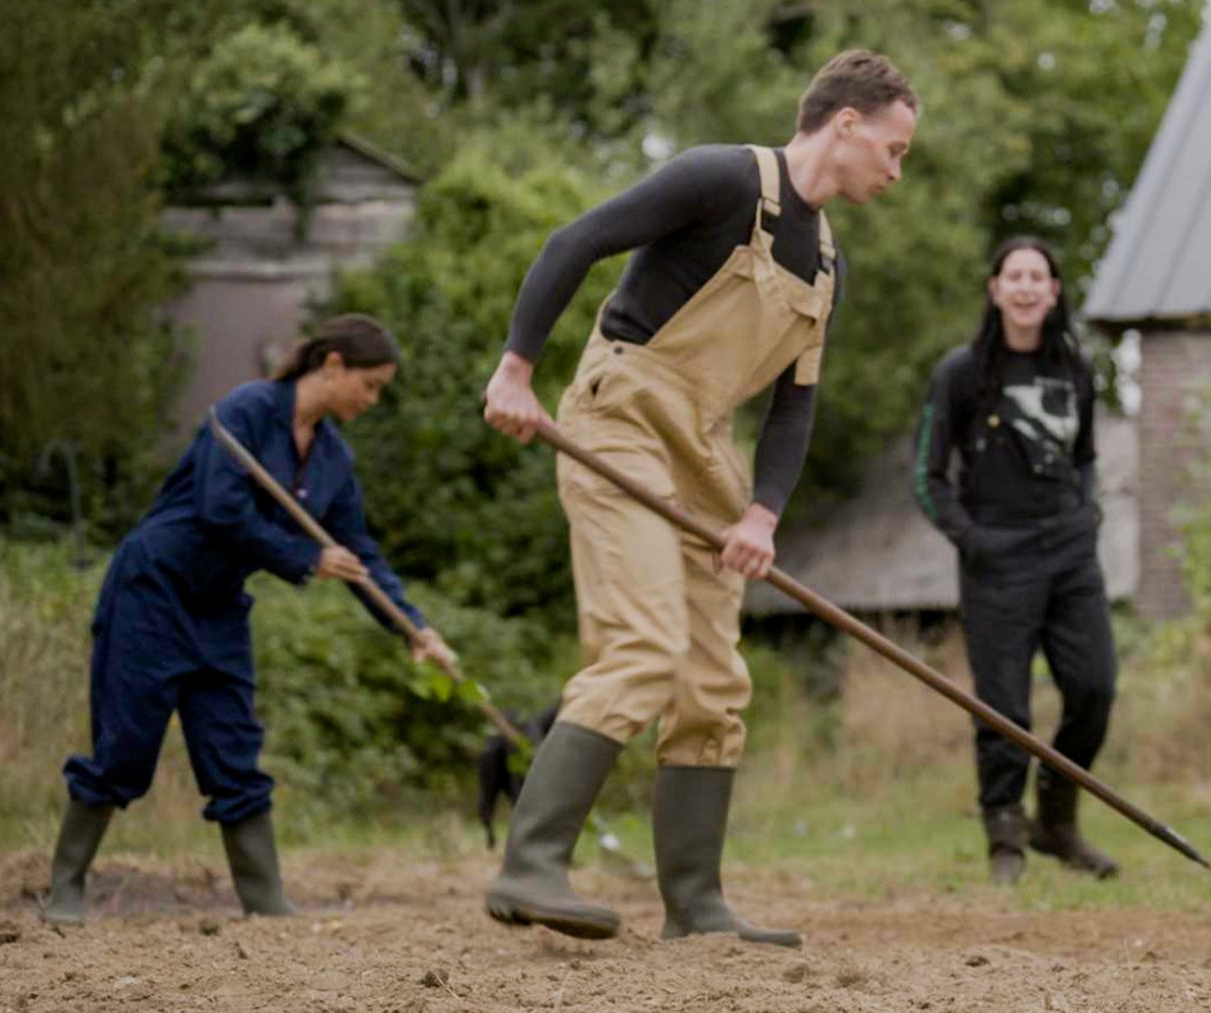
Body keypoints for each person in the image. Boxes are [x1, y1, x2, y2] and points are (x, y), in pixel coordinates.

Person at [480, 50, 918, 948]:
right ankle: (530, 864)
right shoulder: (722, 177)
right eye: (895, 147)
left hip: (704, 455)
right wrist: (515, 368)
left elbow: (796, 406)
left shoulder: (828, 266)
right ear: (846, 123)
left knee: (714, 682)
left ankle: (697, 904)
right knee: (643, 643)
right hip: (621, 419)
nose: (897, 169)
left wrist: (762, 514)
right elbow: (576, 241)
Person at [41, 313, 457, 925]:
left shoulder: (333, 460)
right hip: (152, 591)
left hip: (219, 608)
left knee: (234, 752)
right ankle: (65, 889)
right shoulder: (248, 409)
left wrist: (414, 628)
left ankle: (266, 904)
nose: (374, 399)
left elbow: (359, 554)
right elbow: (220, 508)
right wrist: (303, 557)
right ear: (333, 364)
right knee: (126, 747)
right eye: (370, 385)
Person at [913, 237, 1120, 886]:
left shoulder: (1075, 369)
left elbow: (1085, 454)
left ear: (1054, 292)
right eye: (1015, 276)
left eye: (1039, 277)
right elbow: (927, 473)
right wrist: (970, 537)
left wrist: (1088, 511)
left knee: (1093, 688)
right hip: (996, 557)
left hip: (1069, 552)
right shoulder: (961, 373)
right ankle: (1005, 835)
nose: (1027, 287)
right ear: (995, 289)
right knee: (1004, 707)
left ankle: (1056, 822)